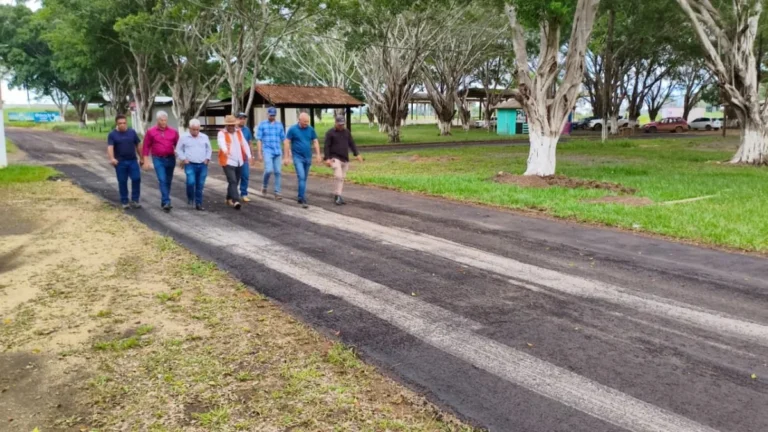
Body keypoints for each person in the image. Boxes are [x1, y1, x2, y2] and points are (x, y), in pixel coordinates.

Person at [142, 111, 180, 212]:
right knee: (162, 179)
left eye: (165, 120)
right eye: (161, 120)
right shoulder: (151, 132)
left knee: (168, 180)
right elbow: (146, 147)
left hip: (170, 158)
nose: (163, 122)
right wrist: (146, 160)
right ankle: (167, 201)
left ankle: (164, 200)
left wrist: (181, 157)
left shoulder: (173, 132)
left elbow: (179, 145)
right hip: (158, 159)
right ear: (157, 120)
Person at [284, 112, 321, 208]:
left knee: (304, 178)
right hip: (297, 157)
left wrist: (318, 154)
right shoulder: (293, 129)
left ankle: (301, 194)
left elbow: (315, 141)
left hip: (308, 157)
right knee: (301, 176)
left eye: (307, 121)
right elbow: (287, 142)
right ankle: (302, 198)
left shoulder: (310, 129)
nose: (306, 123)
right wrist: (286, 157)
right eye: (304, 121)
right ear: (299, 120)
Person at [324, 115, 363, 205]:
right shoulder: (330, 133)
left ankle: (338, 195)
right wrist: (327, 158)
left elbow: (351, 143)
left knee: (342, 178)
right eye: (339, 124)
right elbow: (326, 146)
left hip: (345, 158)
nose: (341, 126)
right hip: (334, 157)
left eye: (342, 124)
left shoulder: (347, 132)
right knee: (338, 176)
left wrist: (357, 154)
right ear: (335, 123)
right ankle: (337, 196)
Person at [107, 114, 142, 210]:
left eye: (124, 123)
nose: (122, 125)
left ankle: (135, 200)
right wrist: (112, 158)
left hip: (132, 161)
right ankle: (124, 201)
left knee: (136, 178)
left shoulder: (132, 132)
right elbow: (110, 147)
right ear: (116, 124)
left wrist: (142, 157)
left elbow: (138, 145)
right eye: (120, 123)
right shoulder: (112, 134)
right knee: (122, 181)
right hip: (120, 162)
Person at [176, 119, 212, 211]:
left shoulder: (204, 137)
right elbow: (178, 149)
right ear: (190, 128)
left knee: (200, 184)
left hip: (202, 164)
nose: (195, 131)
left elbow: (209, 149)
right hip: (190, 164)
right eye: (193, 129)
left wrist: (207, 158)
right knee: (191, 182)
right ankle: (190, 197)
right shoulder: (184, 137)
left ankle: (198, 203)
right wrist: (184, 158)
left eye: (197, 129)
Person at [217, 115, 252, 210]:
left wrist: (249, 155)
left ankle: (228, 198)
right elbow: (221, 143)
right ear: (226, 125)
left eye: (232, 125)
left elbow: (244, 144)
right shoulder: (221, 133)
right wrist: (225, 150)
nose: (231, 127)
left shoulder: (239, 132)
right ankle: (236, 200)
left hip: (239, 161)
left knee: (235, 181)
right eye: (229, 125)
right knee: (232, 180)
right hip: (227, 161)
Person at [256, 106, 286, 200]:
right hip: (267, 150)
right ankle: (264, 186)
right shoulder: (262, 124)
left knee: (278, 172)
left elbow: (284, 139)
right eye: (270, 115)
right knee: (268, 170)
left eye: (273, 115)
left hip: (277, 150)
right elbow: (259, 139)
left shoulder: (279, 125)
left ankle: (277, 192)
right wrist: (259, 153)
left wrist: (287, 153)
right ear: (267, 114)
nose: (272, 117)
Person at [236, 112, 254, 202]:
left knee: (245, 175)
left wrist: (252, 155)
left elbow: (250, 143)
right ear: (236, 119)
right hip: (235, 157)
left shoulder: (247, 130)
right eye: (240, 118)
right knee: (235, 177)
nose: (242, 120)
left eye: (243, 119)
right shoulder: (233, 129)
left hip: (244, 157)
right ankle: (232, 194)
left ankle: (244, 193)